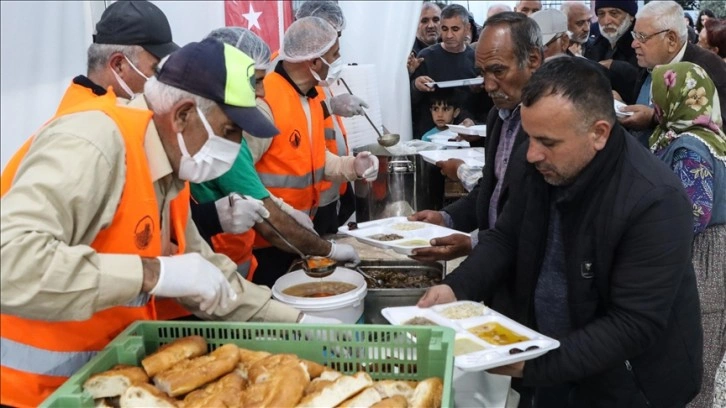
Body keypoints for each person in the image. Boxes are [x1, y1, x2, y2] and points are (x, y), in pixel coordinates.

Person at [0, 39, 331, 407]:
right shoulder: (93, 144)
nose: (236, 147)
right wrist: (152, 273)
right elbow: (9, 261)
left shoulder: (171, 168)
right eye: (229, 132)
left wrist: (303, 325)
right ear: (183, 115)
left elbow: (212, 279)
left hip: (102, 385)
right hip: (30, 394)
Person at [419, 57, 703, 407]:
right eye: (530, 136)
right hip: (551, 359)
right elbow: (506, 238)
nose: (532, 153)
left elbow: (633, 323)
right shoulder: (538, 160)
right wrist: (455, 288)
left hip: (629, 383)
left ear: (598, 133)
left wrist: (532, 364)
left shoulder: (654, 200)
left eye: (548, 142)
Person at [189, 27, 358, 284]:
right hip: (228, 265)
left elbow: (308, 160)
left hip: (235, 266)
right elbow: (267, 215)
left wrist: (351, 166)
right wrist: (329, 250)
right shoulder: (223, 136)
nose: (261, 92)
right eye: (255, 81)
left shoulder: (310, 97)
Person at [244, 17, 378, 286]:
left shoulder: (311, 96)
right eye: (334, 55)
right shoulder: (265, 102)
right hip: (264, 242)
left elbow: (314, 156)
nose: (339, 60)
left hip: (297, 233)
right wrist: (282, 216)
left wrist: (352, 166)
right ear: (315, 62)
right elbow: (243, 177)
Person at [409, 12, 542, 262]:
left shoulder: (549, 123)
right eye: (482, 73)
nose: (488, 85)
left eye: (498, 71)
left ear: (533, 60)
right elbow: (491, 190)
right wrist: (446, 218)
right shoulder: (498, 117)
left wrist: (474, 243)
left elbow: (535, 216)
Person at [649, 61, 726, 408]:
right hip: (702, 255)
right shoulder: (705, 136)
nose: (653, 106)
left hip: (703, 261)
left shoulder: (690, 148)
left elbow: (692, 215)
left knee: (694, 363)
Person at [294, 0, 363, 233]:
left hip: (329, 185)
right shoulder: (281, 76)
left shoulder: (317, 74)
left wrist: (351, 166)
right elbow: (294, 129)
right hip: (304, 199)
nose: (338, 51)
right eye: (334, 39)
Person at [618, 1, 726, 141]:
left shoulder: (708, 70)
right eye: (634, 36)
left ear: (671, 40)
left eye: (642, 37)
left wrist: (654, 118)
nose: (634, 44)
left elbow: (716, 130)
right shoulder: (650, 61)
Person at [411, 4, 491, 139]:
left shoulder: (477, 59)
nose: (448, 35)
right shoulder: (426, 57)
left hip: (467, 138)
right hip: (430, 138)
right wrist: (416, 85)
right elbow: (410, 103)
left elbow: (486, 106)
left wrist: (480, 88)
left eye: (455, 29)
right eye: (444, 29)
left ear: (467, 29)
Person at [583, 0, 638, 67]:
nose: (606, 21)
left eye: (614, 14)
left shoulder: (641, 47)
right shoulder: (595, 47)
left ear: (631, 16)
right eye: (601, 14)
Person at [408, 2, 442, 75]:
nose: (431, 25)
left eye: (436, 20)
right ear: (415, 24)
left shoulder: (451, 48)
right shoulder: (407, 53)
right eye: (424, 21)